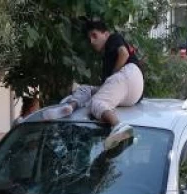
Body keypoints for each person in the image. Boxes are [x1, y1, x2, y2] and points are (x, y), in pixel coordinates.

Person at [43, 20, 144, 150]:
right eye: (89, 37)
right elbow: (108, 86)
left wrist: (113, 75)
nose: (91, 41)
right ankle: (70, 107)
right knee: (86, 89)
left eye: (94, 35)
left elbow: (124, 53)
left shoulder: (113, 38)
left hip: (129, 74)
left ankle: (119, 126)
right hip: (132, 92)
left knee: (96, 102)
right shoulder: (107, 58)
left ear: (106, 34)